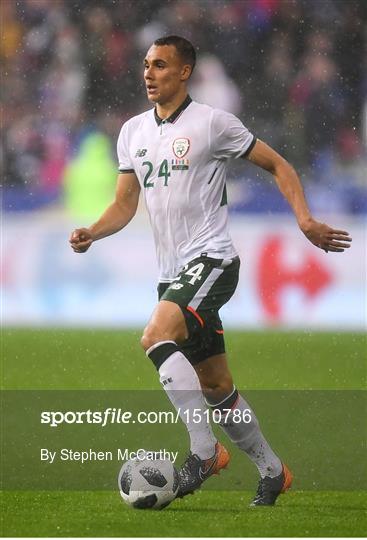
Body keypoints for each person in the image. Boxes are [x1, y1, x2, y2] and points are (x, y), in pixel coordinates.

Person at [70, 35, 352, 506]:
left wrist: (304, 218)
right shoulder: (133, 131)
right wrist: (93, 232)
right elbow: (123, 204)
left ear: (184, 72)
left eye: (159, 65)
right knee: (217, 386)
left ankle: (203, 452)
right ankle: (272, 470)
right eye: (145, 65)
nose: (148, 73)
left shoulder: (213, 124)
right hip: (172, 272)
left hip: (213, 259)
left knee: (153, 335)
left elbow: (279, 165)